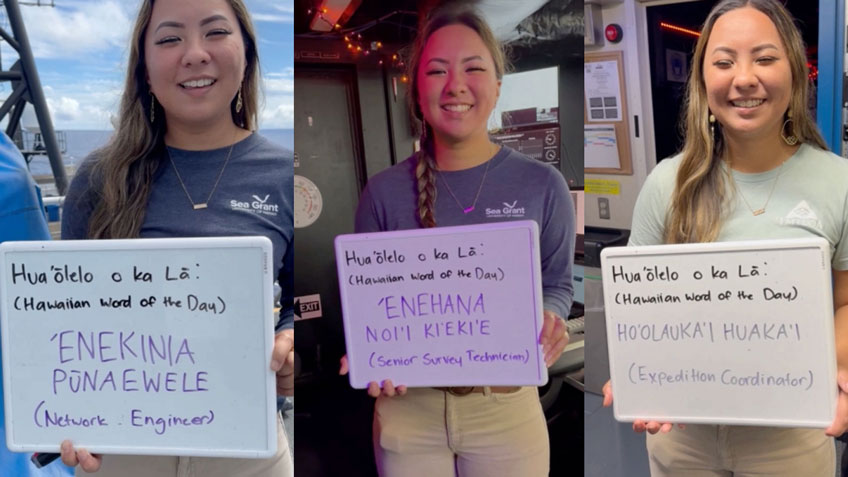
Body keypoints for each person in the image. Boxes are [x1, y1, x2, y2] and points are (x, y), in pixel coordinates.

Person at [602, 0, 848, 475]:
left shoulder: (839, 182)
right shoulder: (665, 183)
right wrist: (640, 373)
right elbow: (635, 305)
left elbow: (845, 304)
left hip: (793, 434)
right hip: (683, 435)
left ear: (795, 73)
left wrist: (831, 373)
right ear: (703, 81)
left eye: (764, 57)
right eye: (724, 61)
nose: (744, 77)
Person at [57, 0, 294, 475]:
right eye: (169, 39)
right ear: (144, 70)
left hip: (251, 451)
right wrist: (69, 419)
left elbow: (289, 306)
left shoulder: (285, 175)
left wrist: (290, 344)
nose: (194, 53)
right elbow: (63, 322)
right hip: (123, 453)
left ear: (246, 53)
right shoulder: (98, 178)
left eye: (215, 32)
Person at [339, 5, 575, 476]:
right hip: (408, 412)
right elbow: (365, 302)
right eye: (437, 71)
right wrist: (369, 351)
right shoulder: (383, 192)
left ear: (498, 85)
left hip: (506, 410)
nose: (456, 85)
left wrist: (550, 316)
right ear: (416, 88)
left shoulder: (543, 185)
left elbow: (557, 283)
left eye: (473, 68)